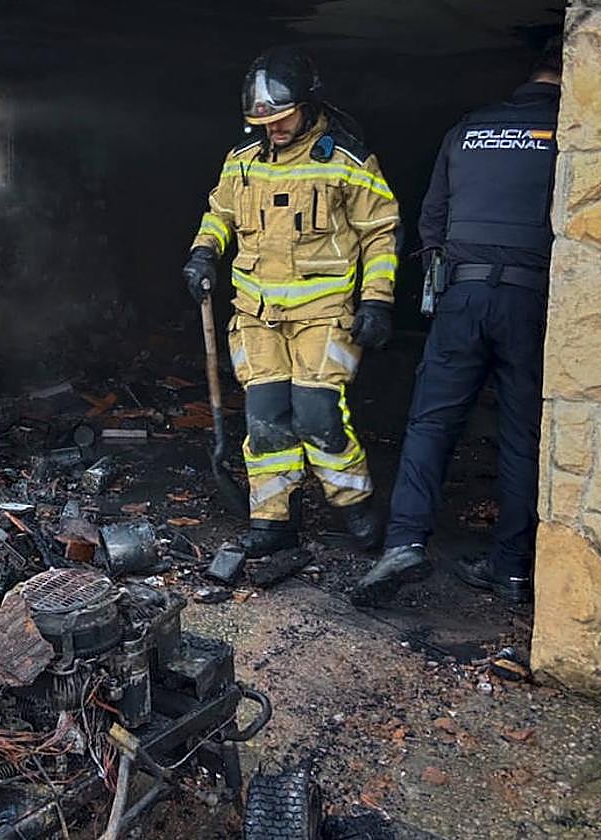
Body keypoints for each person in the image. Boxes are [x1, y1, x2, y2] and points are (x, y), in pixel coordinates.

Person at [351, 37, 563, 607]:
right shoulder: (571, 134)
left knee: (431, 423)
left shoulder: (469, 129)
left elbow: (432, 220)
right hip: (531, 297)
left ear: (530, 72)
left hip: (462, 292)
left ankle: (405, 541)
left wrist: (453, 275)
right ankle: (512, 569)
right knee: (522, 435)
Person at [184, 47, 401, 558]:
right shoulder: (242, 162)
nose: (275, 129)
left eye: (283, 119)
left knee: (316, 414)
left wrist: (377, 301)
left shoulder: (346, 161)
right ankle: (273, 519)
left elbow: (380, 234)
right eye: (266, 122)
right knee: (265, 419)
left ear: (309, 104)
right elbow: (219, 213)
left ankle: (354, 506)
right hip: (256, 314)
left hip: (324, 315)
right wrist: (202, 253)